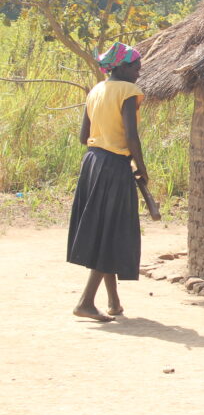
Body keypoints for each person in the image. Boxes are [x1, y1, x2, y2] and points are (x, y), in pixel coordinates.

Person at [67, 42, 148, 322]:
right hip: (114, 166)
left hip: (92, 163)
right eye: (135, 64)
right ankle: (86, 301)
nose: (139, 69)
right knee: (111, 230)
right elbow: (131, 135)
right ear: (122, 66)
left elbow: (82, 136)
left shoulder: (96, 91)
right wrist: (142, 167)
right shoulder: (128, 91)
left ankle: (113, 302)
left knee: (106, 228)